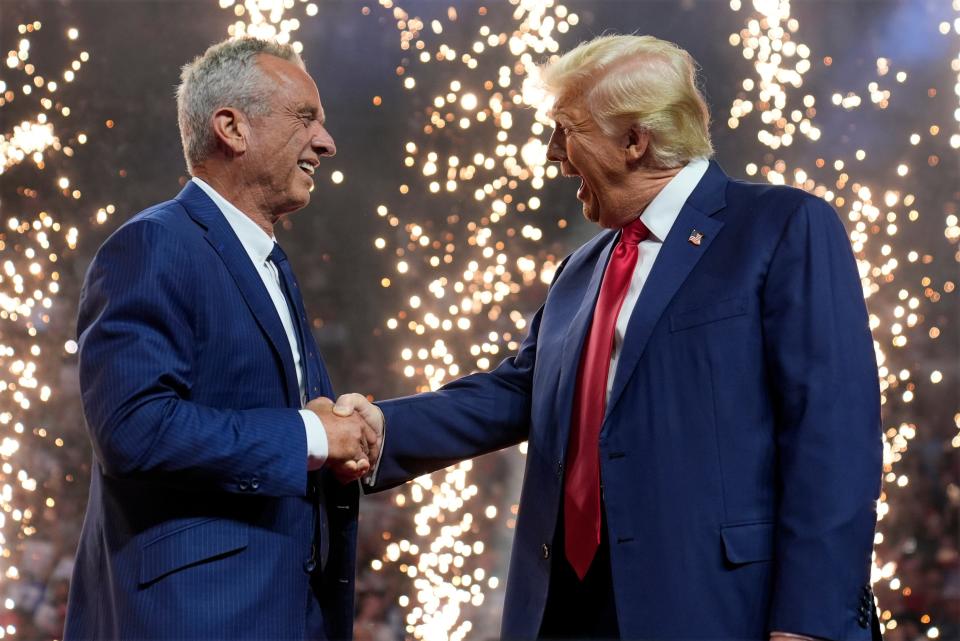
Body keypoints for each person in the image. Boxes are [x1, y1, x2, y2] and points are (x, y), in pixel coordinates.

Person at [335, 35, 883, 640]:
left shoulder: (782, 228)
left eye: (565, 129)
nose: (552, 155)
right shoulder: (583, 267)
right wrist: (379, 429)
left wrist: (811, 625)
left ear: (634, 140)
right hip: (567, 608)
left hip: (717, 607)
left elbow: (832, 435)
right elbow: (519, 391)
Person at [65, 37, 379, 640]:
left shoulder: (270, 265)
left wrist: (339, 429)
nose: (326, 141)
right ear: (232, 128)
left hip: (283, 610)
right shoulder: (154, 244)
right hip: (195, 617)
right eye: (306, 117)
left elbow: (298, 432)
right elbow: (135, 429)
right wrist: (313, 434)